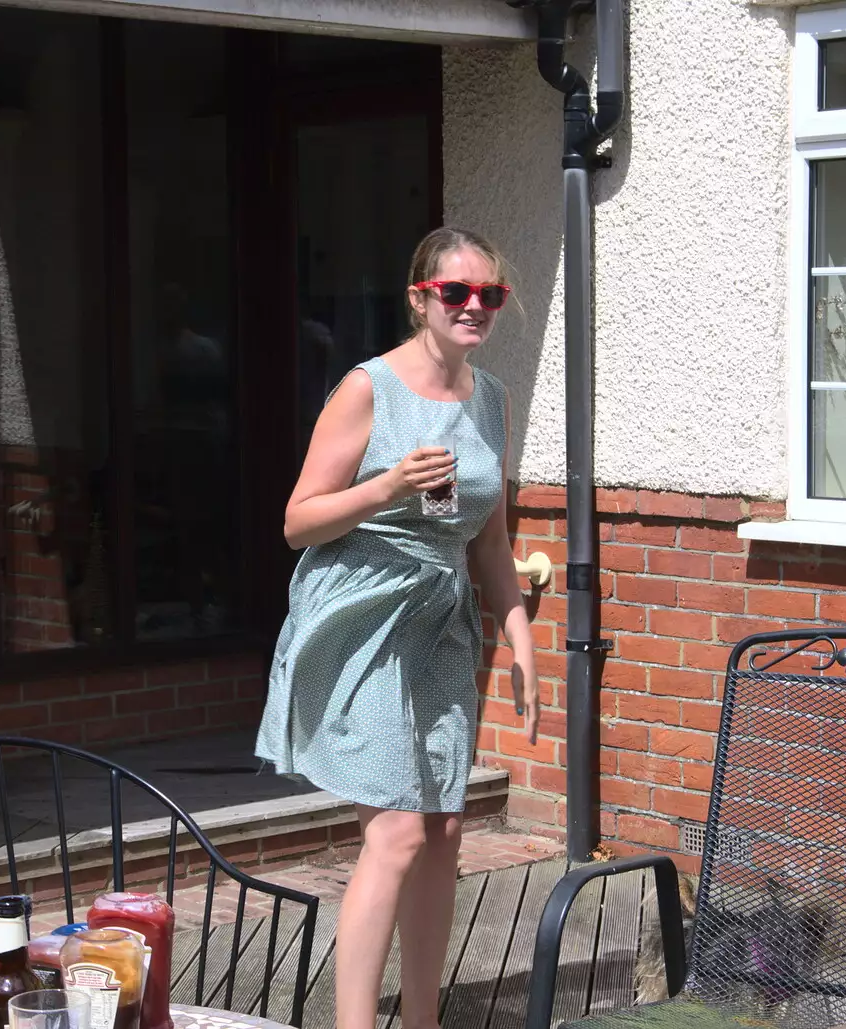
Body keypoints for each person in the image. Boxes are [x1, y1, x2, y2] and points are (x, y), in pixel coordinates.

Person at [255, 227, 539, 1029]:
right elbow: (297, 522)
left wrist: (519, 634)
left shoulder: (491, 399)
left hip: (440, 622)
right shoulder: (368, 388)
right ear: (421, 298)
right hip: (363, 614)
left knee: (445, 826)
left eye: (490, 294)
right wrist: (387, 485)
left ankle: (423, 1020)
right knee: (399, 831)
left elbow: (488, 537)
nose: (475, 306)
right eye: (457, 293)